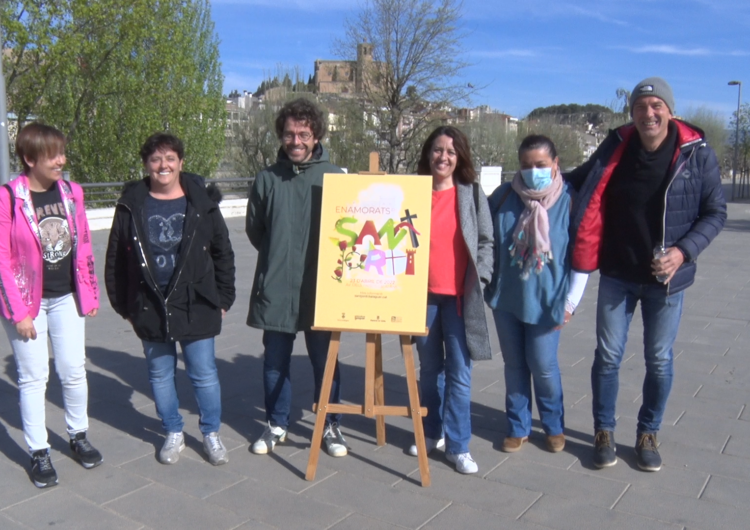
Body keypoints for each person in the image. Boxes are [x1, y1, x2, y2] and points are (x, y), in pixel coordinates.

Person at [566, 77, 726, 471]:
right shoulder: (616, 145)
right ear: (632, 113)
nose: (648, 113)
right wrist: (536, 179)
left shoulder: (697, 154)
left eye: (656, 106)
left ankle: (648, 432)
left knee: (659, 359)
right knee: (607, 356)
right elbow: (579, 180)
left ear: (670, 111)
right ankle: (603, 430)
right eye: (641, 107)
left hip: (666, 279)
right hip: (618, 272)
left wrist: (682, 252)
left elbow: (715, 213)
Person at [105, 133, 235, 466]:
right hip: (150, 304)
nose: (163, 166)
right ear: (146, 165)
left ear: (181, 162)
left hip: (197, 302)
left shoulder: (201, 203)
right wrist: (125, 307)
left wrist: (223, 297)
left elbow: (222, 252)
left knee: (203, 373)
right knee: (160, 374)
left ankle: (210, 433)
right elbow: (116, 259)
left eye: (170, 158)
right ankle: (173, 431)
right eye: (155, 160)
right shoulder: (131, 205)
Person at [0, 123, 102, 488]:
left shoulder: (72, 192)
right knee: (33, 378)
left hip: (66, 298)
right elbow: (1, 259)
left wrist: (89, 292)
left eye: (62, 152)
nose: (61, 160)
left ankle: (78, 435)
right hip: (27, 302)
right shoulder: (9, 196)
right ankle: (38, 452)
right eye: (53, 154)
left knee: (74, 370)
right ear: (30, 159)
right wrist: (18, 312)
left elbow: (85, 243)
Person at [246, 98, 348, 457]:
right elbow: (256, 232)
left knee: (326, 361)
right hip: (277, 286)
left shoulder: (335, 177)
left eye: (303, 133)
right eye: (289, 134)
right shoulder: (266, 180)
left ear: (316, 134)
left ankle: (330, 424)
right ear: (281, 136)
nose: (296, 141)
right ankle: (277, 422)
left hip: (323, 289)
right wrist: (280, 259)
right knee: (275, 361)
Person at [485, 135, 588, 454]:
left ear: (556, 164)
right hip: (507, 298)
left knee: (543, 365)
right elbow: (483, 236)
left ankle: (554, 425)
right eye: (527, 165)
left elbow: (582, 256)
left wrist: (570, 302)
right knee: (514, 365)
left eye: (541, 165)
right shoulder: (504, 196)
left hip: (548, 301)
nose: (533, 171)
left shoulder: (570, 200)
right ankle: (518, 426)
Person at [407, 125, 493, 474]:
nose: (443, 157)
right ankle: (431, 432)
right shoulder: (413, 193)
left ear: (460, 158)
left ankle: (458, 445)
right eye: (438, 150)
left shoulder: (470, 193)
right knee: (429, 370)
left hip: (459, 299)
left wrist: (482, 275)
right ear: (428, 153)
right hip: (423, 298)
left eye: (451, 152)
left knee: (459, 372)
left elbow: (487, 239)